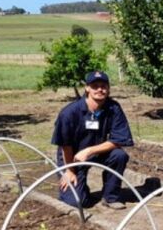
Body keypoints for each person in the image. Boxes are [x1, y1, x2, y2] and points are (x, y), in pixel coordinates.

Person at [50, 71, 133, 209]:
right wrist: (69, 170)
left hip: (96, 151)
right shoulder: (69, 113)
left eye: (103, 86)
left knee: (119, 155)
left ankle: (110, 197)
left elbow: (119, 139)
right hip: (72, 157)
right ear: (87, 88)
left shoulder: (113, 108)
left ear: (108, 88)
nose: (100, 89)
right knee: (78, 202)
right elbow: (65, 145)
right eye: (95, 86)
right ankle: (80, 191)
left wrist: (89, 150)